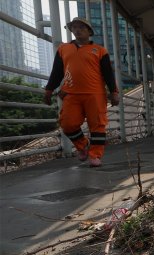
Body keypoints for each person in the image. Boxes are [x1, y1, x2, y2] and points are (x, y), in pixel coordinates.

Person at [44, 17, 119, 167]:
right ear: (72, 30)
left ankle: (95, 155)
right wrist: (48, 90)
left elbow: (108, 74)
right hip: (71, 94)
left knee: (97, 125)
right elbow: (57, 72)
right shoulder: (63, 49)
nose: (77, 30)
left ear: (89, 32)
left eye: (82, 28)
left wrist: (114, 92)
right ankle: (83, 146)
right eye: (75, 27)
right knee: (67, 124)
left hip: (95, 94)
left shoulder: (100, 51)